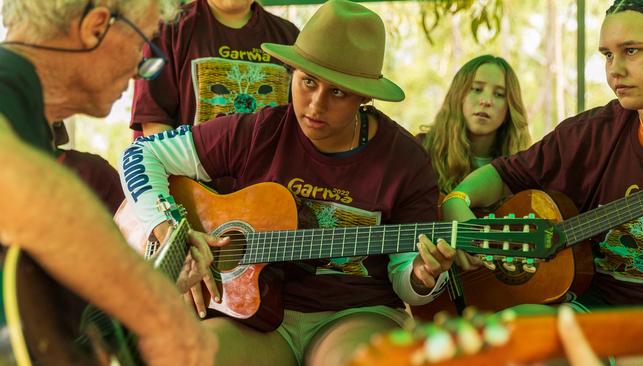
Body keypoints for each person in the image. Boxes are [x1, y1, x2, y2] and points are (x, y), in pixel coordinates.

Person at [119, 1, 456, 365]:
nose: (315, 104)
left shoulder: (405, 161)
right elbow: (141, 155)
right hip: (253, 319)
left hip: (354, 312)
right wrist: (170, 232)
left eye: (338, 92)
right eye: (307, 82)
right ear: (291, 72)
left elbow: (407, 281)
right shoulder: (258, 129)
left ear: (364, 96)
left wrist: (422, 276)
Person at [0, 1, 221, 364]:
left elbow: (52, 333)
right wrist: (155, 312)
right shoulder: (8, 80)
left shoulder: (32, 127)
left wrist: (161, 285)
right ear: (96, 26)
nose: (141, 71)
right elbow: (17, 181)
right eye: (141, 46)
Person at [443, 0, 643, 309]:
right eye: (607, 55)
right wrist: (456, 202)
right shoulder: (589, 134)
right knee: (515, 333)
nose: (614, 70)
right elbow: (503, 175)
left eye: (631, 51)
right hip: (592, 312)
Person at [130, 0, 300, 138]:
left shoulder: (288, 37)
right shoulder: (170, 28)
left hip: (268, 178)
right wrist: (179, 179)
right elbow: (154, 121)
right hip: (182, 175)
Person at [419, 54, 531, 197]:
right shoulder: (421, 151)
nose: (486, 101)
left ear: (510, 109)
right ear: (457, 97)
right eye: (477, 89)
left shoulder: (520, 168)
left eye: (499, 94)